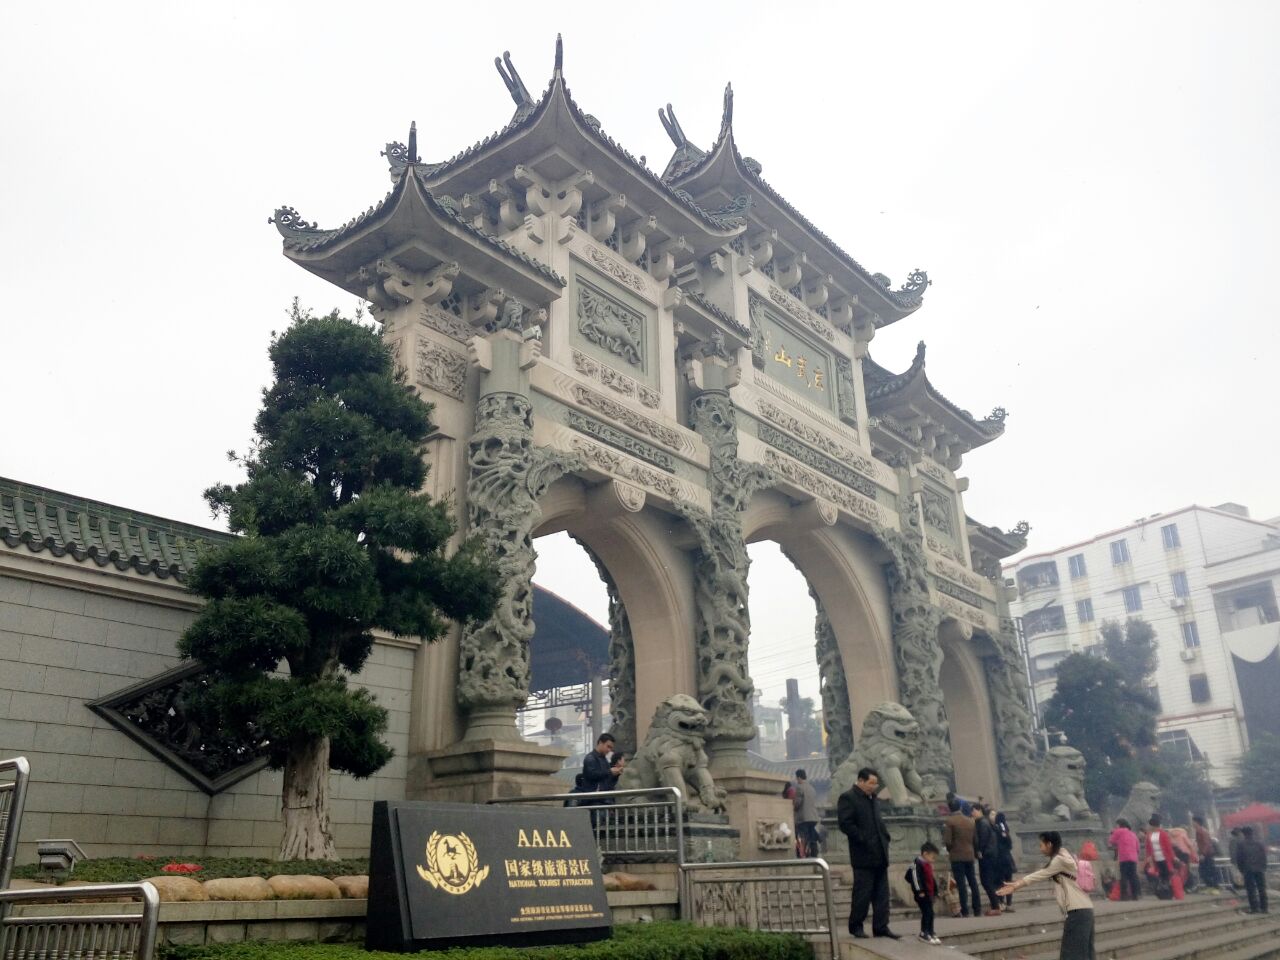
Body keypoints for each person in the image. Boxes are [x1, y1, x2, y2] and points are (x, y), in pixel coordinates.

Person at [998, 831, 1096, 960]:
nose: (1040, 849)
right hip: (1085, 909)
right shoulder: (1065, 856)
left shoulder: (1059, 860)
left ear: (1049, 844)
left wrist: (1016, 885)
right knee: (1085, 954)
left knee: (1072, 955)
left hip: (1077, 911)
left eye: (1041, 845)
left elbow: (1041, 874)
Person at [836, 766, 900, 940]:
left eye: (876, 783)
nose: (874, 786)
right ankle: (856, 926)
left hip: (879, 852)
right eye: (871, 783)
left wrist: (885, 838)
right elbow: (845, 824)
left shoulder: (872, 799)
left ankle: (881, 926)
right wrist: (863, 838)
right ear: (861, 781)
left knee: (882, 894)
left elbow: (878, 822)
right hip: (863, 854)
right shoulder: (848, 798)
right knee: (862, 893)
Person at [943, 797, 980, 917]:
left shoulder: (950, 821)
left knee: (961, 884)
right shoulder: (970, 821)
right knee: (973, 882)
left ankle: (965, 910)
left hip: (957, 855)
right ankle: (977, 908)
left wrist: (950, 850)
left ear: (950, 808)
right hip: (969, 854)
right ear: (960, 807)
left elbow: (948, 841)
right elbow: (975, 840)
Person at [906, 841, 943, 945]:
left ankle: (930, 931)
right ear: (925, 854)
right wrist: (919, 891)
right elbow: (915, 879)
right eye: (932, 857)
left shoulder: (927, 864)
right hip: (922, 894)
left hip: (929, 893)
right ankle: (924, 932)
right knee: (927, 912)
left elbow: (931, 879)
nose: (933, 860)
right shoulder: (916, 864)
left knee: (931, 913)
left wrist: (935, 891)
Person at [973, 802, 1003, 915]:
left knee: (986, 881)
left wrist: (980, 851)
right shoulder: (984, 822)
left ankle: (996, 906)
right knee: (987, 881)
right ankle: (996, 905)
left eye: (973, 811)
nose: (972, 813)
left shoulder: (983, 823)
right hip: (990, 855)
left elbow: (983, 839)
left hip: (987, 856)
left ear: (979, 810)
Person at [1235, 826, 1269, 914]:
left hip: (1248, 869)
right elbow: (1264, 856)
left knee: (1251, 889)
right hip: (1260, 868)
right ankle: (1264, 908)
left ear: (1243, 834)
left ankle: (1254, 908)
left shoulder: (1241, 844)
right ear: (1252, 833)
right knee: (1262, 888)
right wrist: (1264, 866)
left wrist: (1241, 869)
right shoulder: (1259, 843)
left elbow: (1239, 858)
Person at [1108, 818, 1141, 901]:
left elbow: (1111, 841)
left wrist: (1113, 834)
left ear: (1120, 825)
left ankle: (1124, 895)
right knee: (1133, 876)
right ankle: (1135, 895)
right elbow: (1138, 848)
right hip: (1133, 858)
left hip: (1124, 857)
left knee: (1124, 876)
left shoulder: (1119, 831)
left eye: (1116, 825)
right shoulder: (1133, 834)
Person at [792, 769, 820, 858]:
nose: (797, 780)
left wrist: (793, 807)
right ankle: (814, 853)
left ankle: (803, 855)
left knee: (803, 837)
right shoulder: (812, 788)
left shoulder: (799, 787)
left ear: (799, 777)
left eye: (797, 778)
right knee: (812, 836)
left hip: (803, 818)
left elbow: (797, 803)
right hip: (813, 817)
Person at [994, 810, 1017, 911]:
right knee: (1008, 881)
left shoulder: (997, 828)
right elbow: (1010, 844)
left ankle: (1001, 902)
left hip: (1000, 859)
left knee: (1000, 882)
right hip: (1008, 859)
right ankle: (1009, 903)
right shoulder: (1005, 827)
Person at [1145, 815, 1175, 894]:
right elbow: (1148, 847)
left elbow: (1168, 846)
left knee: (1166, 873)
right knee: (1160, 873)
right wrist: (1148, 856)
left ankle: (1167, 889)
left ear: (1152, 825)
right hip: (1156, 857)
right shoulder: (1149, 835)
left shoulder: (1163, 834)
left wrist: (1172, 857)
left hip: (1164, 857)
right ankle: (1163, 889)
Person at [1192, 816, 1218, 889]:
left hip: (1207, 854)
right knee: (1203, 871)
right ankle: (1210, 886)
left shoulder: (1202, 831)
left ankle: (1214, 886)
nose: (1192, 824)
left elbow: (1206, 843)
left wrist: (1203, 854)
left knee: (1209, 871)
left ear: (1197, 822)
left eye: (1193, 822)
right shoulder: (1198, 831)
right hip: (1204, 854)